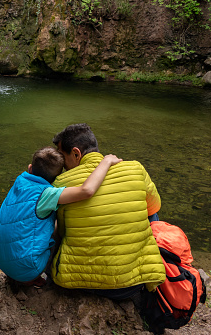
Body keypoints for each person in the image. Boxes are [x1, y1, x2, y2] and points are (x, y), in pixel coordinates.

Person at [50, 123, 166, 300]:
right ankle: (145, 264)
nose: (62, 165)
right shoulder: (136, 168)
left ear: (76, 153)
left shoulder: (61, 182)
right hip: (131, 286)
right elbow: (155, 208)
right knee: (149, 211)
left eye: (62, 156)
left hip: (77, 284)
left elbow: (62, 232)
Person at [0, 146, 122, 287]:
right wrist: (106, 162)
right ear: (56, 179)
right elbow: (87, 190)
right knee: (60, 219)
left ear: (30, 168)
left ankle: (19, 272)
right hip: (26, 268)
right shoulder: (47, 194)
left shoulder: (20, 181)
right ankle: (36, 277)